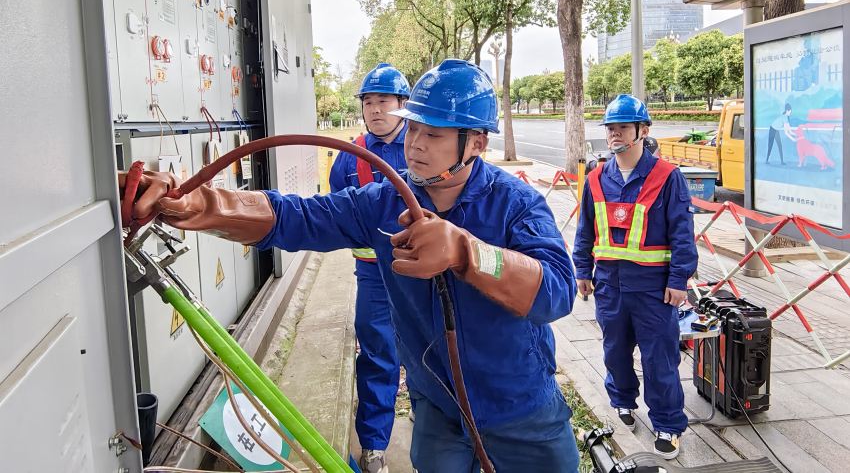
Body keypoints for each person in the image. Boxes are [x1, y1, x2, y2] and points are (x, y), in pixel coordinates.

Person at [123, 59, 580, 472]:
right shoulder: (386, 202)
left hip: (521, 409)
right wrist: (194, 201)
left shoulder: (516, 203)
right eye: (414, 129)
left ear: (476, 142)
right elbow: (295, 216)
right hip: (440, 410)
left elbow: (557, 292)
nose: (416, 144)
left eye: (434, 134)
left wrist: (467, 252)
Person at [572, 94, 698, 460]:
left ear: (643, 131)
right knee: (615, 351)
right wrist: (582, 270)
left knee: (659, 358)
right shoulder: (596, 179)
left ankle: (668, 424)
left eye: (623, 127)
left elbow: (682, 233)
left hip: (654, 288)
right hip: (609, 284)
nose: (615, 134)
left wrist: (679, 281)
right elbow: (585, 230)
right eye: (611, 128)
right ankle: (622, 401)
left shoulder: (667, 177)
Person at [329, 63, 410, 473]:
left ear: (403, 105)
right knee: (378, 355)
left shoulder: (423, 147)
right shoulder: (347, 159)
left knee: (428, 351)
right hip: (374, 277)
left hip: (421, 275)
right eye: (368, 102)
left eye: (384, 101)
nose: (375, 110)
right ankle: (375, 445)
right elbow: (334, 215)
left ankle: (432, 434)